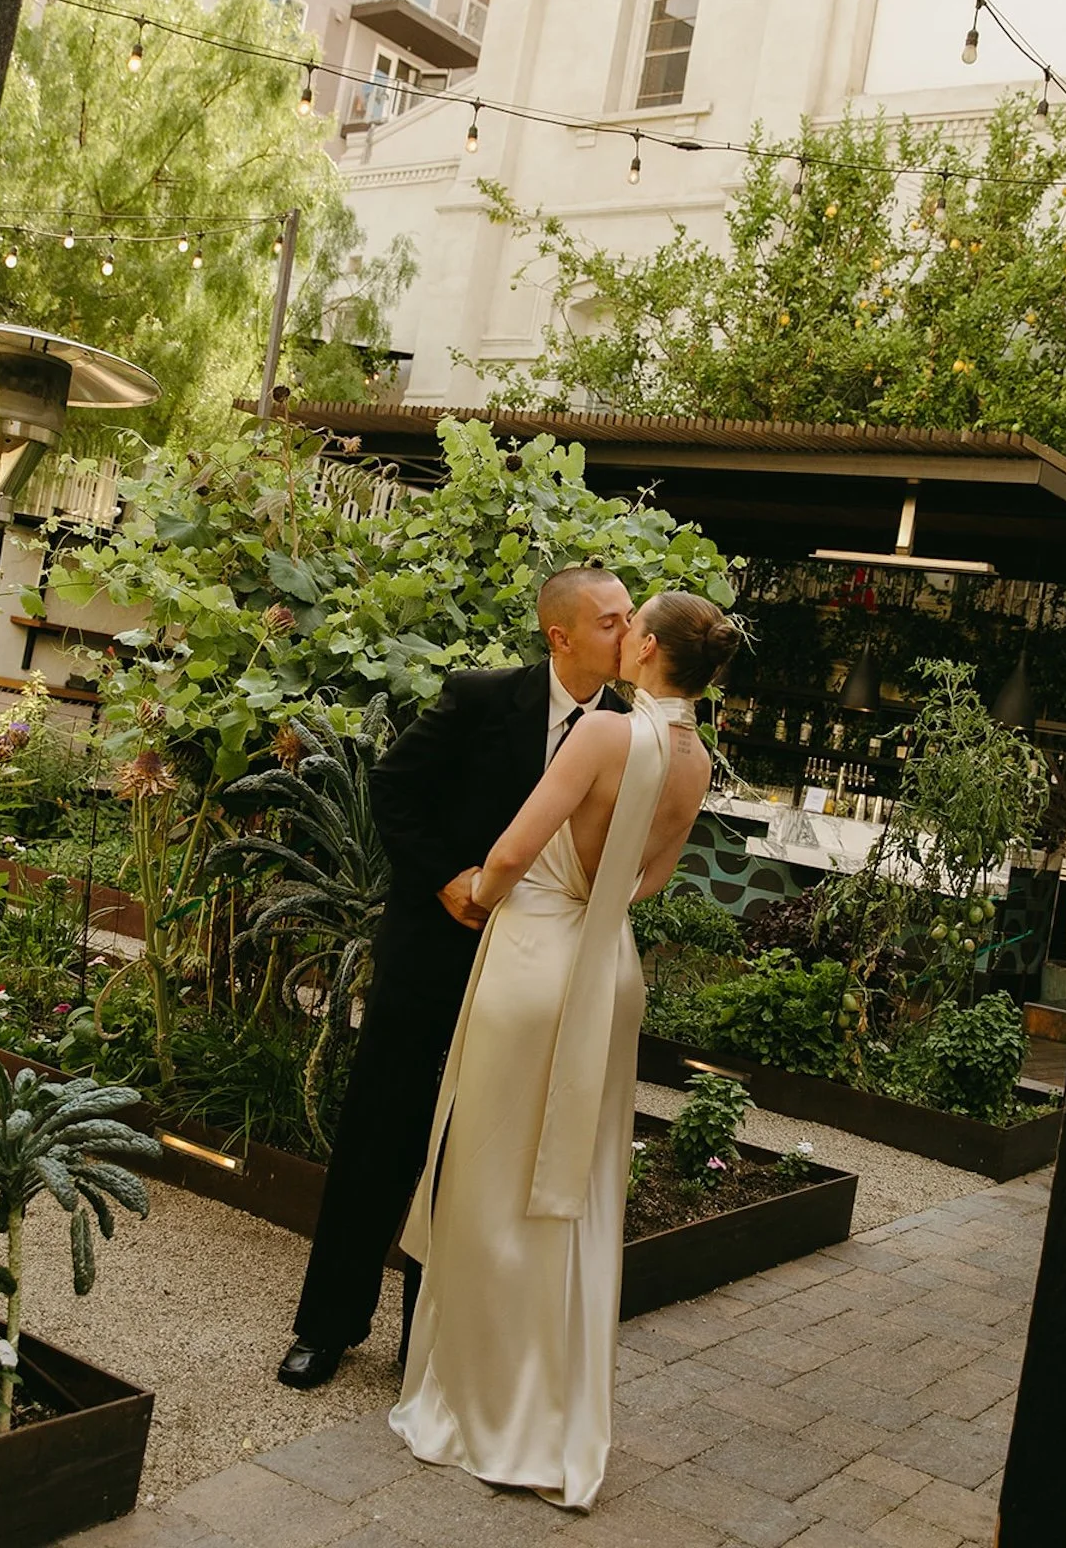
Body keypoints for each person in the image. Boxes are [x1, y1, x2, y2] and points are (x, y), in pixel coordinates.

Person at [389, 591, 738, 1510]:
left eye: (633, 625)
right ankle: (556, 1409)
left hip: (537, 959)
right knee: (573, 1189)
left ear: (649, 647)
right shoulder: (697, 761)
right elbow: (650, 883)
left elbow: (513, 850)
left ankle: (483, 1403)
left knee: (494, 1182)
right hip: (608, 967)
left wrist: (475, 888)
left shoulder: (605, 736)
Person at [278, 564, 633, 1390]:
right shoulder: (481, 698)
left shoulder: (626, 728)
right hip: (432, 955)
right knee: (379, 1137)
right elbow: (394, 788)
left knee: (477, 1157)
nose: (628, 632)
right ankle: (325, 1328)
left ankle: (430, 1344)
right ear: (563, 636)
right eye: (611, 620)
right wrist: (444, 878)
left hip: (532, 980)